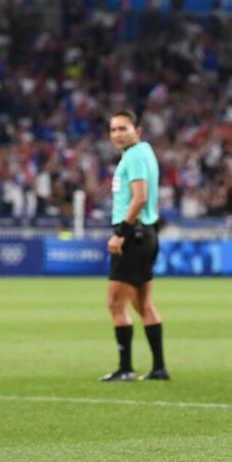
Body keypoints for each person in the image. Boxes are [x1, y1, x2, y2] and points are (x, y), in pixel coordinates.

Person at [99, 110, 169, 382]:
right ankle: (159, 367)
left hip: (134, 236)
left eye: (123, 128)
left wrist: (121, 233)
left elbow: (139, 198)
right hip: (148, 233)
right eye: (113, 129)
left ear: (137, 130)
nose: (117, 134)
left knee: (116, 303)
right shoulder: (145, 152)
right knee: (143, 303)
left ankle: (126, 368)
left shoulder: (135, 155)